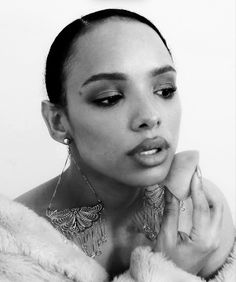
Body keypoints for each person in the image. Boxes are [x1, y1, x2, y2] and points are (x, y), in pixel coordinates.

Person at [0, 8, 235, 282]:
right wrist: (171, 271)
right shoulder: (12, 246)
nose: (150, 116)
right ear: (58, 121)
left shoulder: (199, 215)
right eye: (110, 98)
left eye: (164, 90)